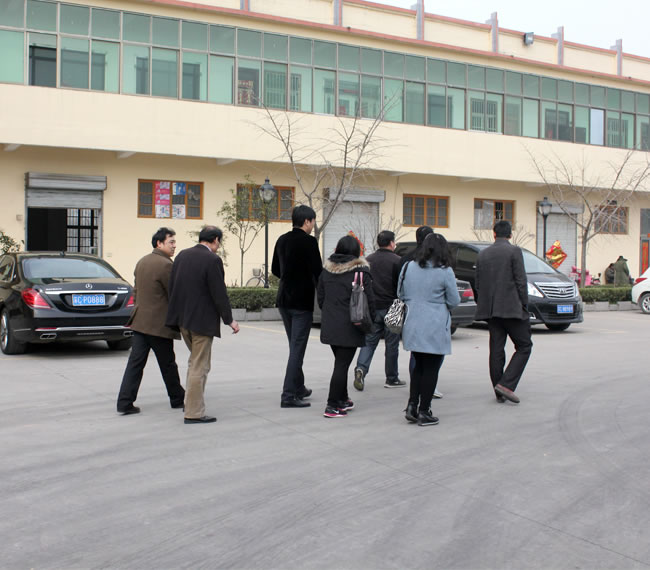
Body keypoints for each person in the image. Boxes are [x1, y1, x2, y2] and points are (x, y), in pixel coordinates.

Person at [165, 226, 240, 424]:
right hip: (201, 322)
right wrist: (229, 320)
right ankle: (194, 412)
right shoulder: (212, 259)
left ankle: (190, 402)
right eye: (219, 242)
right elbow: (219, 293)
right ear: (215, 240)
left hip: (183, 320)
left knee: (194, 362)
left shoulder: (182, 256)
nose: (219, 246)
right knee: (200, 365)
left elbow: (173, 286)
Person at [116, 228, 185, 415]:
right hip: (158, 324)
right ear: (159, 244)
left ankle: (124, 402)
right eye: (171, 242)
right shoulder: (166, 265)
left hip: (140, 321)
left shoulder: (142, 261)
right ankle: (177, 399)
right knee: (168, 364)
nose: (174, 245)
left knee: (135, 364)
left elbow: (137, 291)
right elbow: (174, 295)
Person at [399, 233, 460, 426]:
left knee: (418, 366)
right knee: (431, 369)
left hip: (412, 323)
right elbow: (454, 300)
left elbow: (400, 293)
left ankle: (412, 406)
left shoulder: (408, 267)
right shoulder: (445, 271)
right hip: (434, 324)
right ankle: (424, 411)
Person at [317, 235, 376, 418]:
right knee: (341, 365)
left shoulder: (326, 271)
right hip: (351, 325)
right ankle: (332, 405)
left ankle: (343, 398)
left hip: (331, 324)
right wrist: (371, 322)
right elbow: (370, 302)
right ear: (356, 251)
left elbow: (321, 298)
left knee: (340, 363)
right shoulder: (361, 273)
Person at [475, 220, 532, 404]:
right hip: (511, 307)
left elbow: (478, 283)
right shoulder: (514, 251)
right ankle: (506, 384)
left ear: (494, 234)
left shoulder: (483, 254)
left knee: (496, 349)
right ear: (510, 234)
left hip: (491, 310)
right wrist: (525, 304)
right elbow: (521, 281)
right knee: (524, 346)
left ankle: (498, 390)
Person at [271, 205, 323, 408]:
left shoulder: (282, 240)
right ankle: (288, 395)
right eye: (313, 221)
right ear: (307, 221)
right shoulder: (309, 242)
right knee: (297, 349)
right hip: (302, 301)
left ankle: (299, 387)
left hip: (284, 299)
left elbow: (275, 269)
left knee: (294, 346)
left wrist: (289, 277)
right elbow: (318, 272)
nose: (313, 225)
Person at [393, 225, 443, 399]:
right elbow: (452, 298)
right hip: (434, 317)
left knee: (416, 355)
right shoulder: (439, 263)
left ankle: (414, 393)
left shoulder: (405, 260)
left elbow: (398, 288)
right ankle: (427, 390)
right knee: (433, 358)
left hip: (411, 314)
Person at [353, 230, 403, 391]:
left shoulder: (368, 260)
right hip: (393, 307)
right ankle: (392, 378)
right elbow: (401, 285)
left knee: (369, 342)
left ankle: (361, 368)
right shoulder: (398, 261)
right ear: (392, 243)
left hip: (373, 308)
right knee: (392, 344)